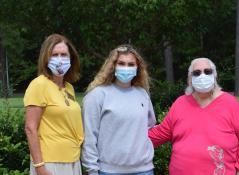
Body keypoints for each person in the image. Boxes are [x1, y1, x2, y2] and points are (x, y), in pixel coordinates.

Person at [148, 58, 239, 175]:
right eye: (197, 73)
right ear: (190, 79)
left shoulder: (230, 104)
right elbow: (161, 133)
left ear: (214, 76)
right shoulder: (180, 103)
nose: (202, 75)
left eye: (207, 71)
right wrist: (131, 137)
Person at [82, 44, 156, 175]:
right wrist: (92, 170)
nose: (126, 68)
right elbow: (90, 136)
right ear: (113, 66)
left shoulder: (142, 94)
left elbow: (149, 127)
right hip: (109, 171)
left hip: (144, 170)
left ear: (137, 68)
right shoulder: (97, 95)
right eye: (121, 63)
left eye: (130, 64)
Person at [24, 34, 84, 175]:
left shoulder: (69, 88)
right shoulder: (39, 85)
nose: (59, 59)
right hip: (50, 163)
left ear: (71, 58)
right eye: (54, 55)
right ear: (46, 58)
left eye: (63, 54)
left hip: (73, 160)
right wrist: (40, 167)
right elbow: (30, 128)